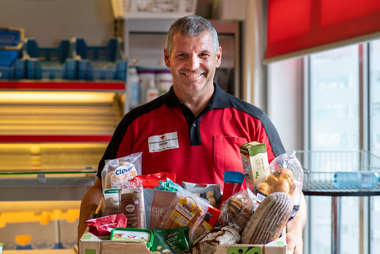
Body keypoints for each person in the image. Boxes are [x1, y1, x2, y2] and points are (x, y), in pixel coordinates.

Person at [78, 15, 306, 254]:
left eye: (203, 55)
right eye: (182, 55)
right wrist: (84, 238)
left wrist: (295, 232)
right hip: (156, 248)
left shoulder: (252, 121)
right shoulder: (136, 124)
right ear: (167, 57)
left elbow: (292, 194)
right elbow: (97, 191)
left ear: (217, 57)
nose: (193, 65)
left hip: (230, 247)